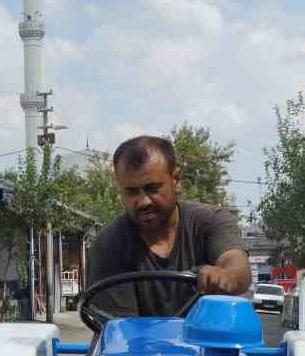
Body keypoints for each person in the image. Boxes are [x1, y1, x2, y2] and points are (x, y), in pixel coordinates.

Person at [85, 135, 252, 317]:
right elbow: (121, 333)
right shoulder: (108, 246)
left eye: (152, 188)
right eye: (132, 192)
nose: (143, 201)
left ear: (176, 180)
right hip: (138, 343)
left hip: (206, 342)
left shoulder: (212, 221)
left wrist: (225, 276)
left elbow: (237, 265)